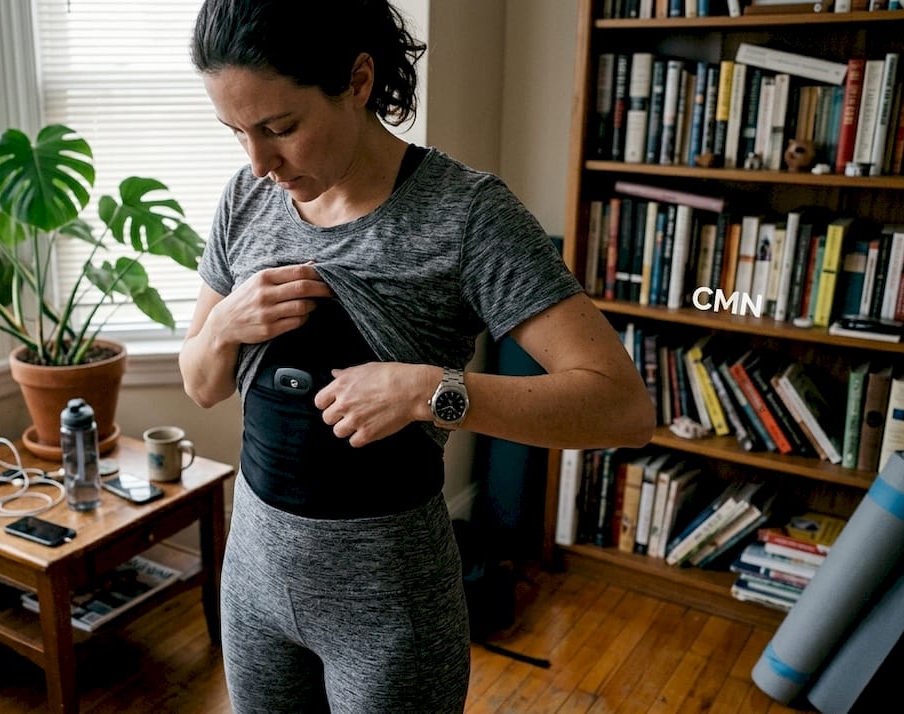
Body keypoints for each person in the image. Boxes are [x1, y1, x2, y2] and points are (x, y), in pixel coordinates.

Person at [180, 1, 655, 711]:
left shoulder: (466, 216)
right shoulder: (245, 200)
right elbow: (201, 386)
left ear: (360, 79)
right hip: (252, 586)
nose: (259, 162)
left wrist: (429, 391)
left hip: (389, 609)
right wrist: (223, 329)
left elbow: (622, 408)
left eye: (281, 128)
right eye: (237, 132)